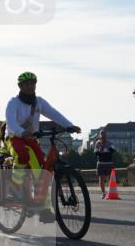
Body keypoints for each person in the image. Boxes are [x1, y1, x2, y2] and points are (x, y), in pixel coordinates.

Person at [4, 71, 80, 223]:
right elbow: (11, 123)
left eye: (32, 83)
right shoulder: (13, 103)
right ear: (20, 86)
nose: (30, 86)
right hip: (14, 137)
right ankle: (14, 188)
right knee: (22, 155)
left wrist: (69, 125)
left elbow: (54, 114)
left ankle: (44, 210)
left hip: (31, 139)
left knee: (42, 173)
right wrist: (22, 132)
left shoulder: (39, 102)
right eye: (26, 84)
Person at [94, 129, 117, 197]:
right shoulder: (97, 143)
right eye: (102, 135)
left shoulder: (110, 143)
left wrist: (106, 146)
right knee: (101, 179)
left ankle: (110, 192)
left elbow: (113, 151)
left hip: (109, 163)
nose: (103, 137)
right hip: (101, 163)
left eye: (104, 135)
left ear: (106, 136)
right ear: (100, 136)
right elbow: (96, 153)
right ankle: (103, 193)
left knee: (110, 179)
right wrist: (100, 148)